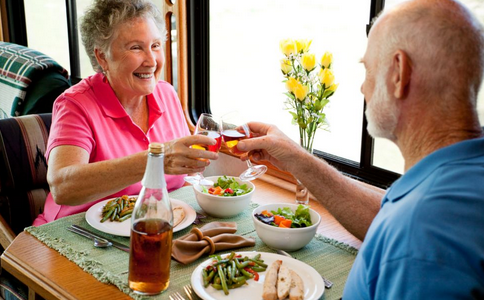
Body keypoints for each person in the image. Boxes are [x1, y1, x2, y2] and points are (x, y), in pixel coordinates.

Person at [238, 0, 484, 298]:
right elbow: (386, 217)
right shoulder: (457, 178)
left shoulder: (419, 235)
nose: (363, 88)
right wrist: (297, 158)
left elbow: (410, 233)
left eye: (367, 69)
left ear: (398, 73)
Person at [33, 0, 218, 226]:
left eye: (156, 45)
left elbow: (183, 178)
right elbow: (62, 188)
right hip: (76, 232)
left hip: (149, 227)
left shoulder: (167, 94)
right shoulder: (75, 104)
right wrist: (157, 159)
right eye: (136, 47)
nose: (151, 61)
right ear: (102, 57)